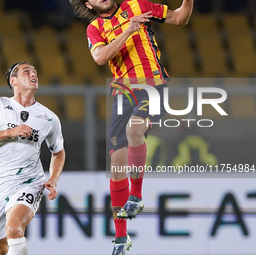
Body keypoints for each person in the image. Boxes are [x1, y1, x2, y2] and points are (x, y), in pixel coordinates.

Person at [69, 0, 193, 254]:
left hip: (153, 86)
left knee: (134, 130)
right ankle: (121, 239)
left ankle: (135, 196)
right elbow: (100, 57)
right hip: (122, 93)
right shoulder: (95, 28)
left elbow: (180, 18)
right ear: (88, 4)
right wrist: (129, 31)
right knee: (117, 167)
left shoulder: (138, 5)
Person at [0, 61, 65, 255]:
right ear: (14, 81)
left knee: (14, 228)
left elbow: (58, 151)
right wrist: (10, 132)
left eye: (35, 72)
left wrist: (53, 178)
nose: (33, 74)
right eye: (26, 72)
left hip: (28, 181)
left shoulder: (49, 118)